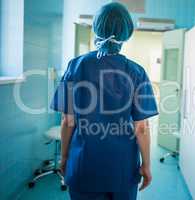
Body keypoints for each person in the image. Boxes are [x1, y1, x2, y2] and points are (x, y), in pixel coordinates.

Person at [51, 2, 158, 200]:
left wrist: (65, 157)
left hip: (84, 163)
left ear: (96, 29)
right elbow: (141, 127)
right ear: (127, 33)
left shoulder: (75, 66)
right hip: (122, 168)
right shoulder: (136, 72)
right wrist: (147, 165)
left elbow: (68, 121)